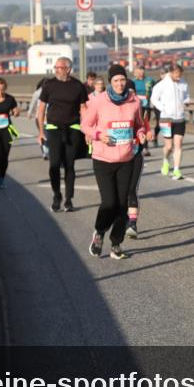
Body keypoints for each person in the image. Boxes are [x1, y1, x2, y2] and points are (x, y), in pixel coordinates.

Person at [82, 64, 151, 260]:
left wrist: (141, 133)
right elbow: (85, 125)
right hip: (103, 159)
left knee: (122, 204)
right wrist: (98, 135)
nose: (120, 84)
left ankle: (116, 244)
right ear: (110, 82)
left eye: (122, 80)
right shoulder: (99, 101)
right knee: (109, 202)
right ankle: (99, 232)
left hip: (126, 159)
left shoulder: (134, 101)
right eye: (116, 80)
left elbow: (138, 125)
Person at [37, 57, 88, 212]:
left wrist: (87, 130)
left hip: (73, 129)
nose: (56, 70)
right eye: (55, 67)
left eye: (59, 67)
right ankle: (56, 195)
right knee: (54, 165)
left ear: (68, 69)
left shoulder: (78, 86)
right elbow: (41, 109)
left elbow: (84, 109)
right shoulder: (49, 85)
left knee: (69, 165)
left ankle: (68, 200)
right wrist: (40, 132)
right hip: (53, 129)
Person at [150, 64, 190, 180]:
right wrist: (163, 108)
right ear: (171, 73)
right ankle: (166, 160)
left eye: (180, 74)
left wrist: (186, 101)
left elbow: (187, 96)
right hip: (166, 118)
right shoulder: (162, 84)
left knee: (179, 144)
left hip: (180, 118)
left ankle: (176, 170)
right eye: (177, 74)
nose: (179, 77)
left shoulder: (184, 83)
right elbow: (153, 99)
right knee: (168, 146)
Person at [130, 65, 156, 157]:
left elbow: (157, 88)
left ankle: (145, 147)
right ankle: (136, 144)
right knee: (136, 126)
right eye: (138, 72)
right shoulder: (133, 82)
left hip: (146, 106)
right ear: (134, 73)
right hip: (136, 107)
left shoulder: (149, 80)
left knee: (145, 126)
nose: (140, 73)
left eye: (142, 71)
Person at [29, 77, 48, 160]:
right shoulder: (38, 93)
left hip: (50, 117)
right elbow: (33, 102)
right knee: (42, 133)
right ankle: (44, 151)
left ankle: (48, 150)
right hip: (39, 117)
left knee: (50, 135)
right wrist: (30, 112)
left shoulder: (52, 91)